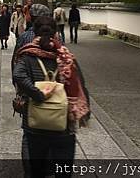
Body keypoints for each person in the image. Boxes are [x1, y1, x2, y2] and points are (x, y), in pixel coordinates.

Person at [13, 16, 90, 178]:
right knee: (63, 168)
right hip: (63, 122)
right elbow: (80, 83)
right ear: (56, 33)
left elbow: (18, 75)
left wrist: (37, 94)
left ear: (34, 32)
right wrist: (84, 110)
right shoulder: (66, 56)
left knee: (37, 167)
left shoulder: (28, 55)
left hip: (35, 120)